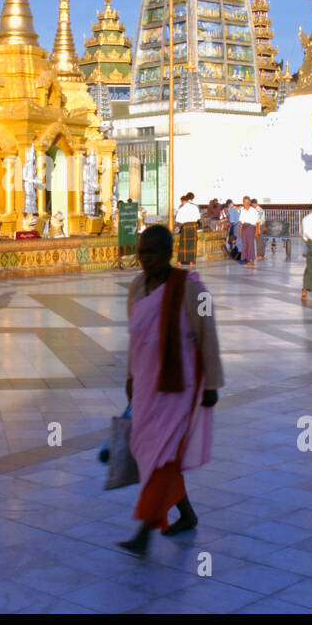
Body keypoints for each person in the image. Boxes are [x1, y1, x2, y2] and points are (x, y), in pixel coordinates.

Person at [119, 224, 222, 557]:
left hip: (181, 385)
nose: (146, 259)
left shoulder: (193, 288)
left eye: (153, 253)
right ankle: (187, 514)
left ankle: (144, 530)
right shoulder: (136, 287)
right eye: (142, 253)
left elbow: (208, 333)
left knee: (162, 456)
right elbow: (135, 337)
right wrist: (131, 375)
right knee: (150, 451)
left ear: (169, 254)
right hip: (148, 384)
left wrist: (212, 383)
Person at [174, 192, 201, 266]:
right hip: (193, 227)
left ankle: (179, 261)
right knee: (192, 244)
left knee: (183, 244)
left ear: (183, 201)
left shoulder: (182, 209)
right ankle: (191, 262)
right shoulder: (195, 207)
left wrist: (177, 227)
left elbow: (178, 221)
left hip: (185, 227)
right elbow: (198, 218)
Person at [237, 196, 259, 266]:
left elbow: (257, 222)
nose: (244, 203)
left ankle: (251, 260)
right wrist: (240, 231)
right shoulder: (242, 210)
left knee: (250, 244)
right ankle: (246, 260)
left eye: (246, 202)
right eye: (243, 202)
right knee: (244, 245)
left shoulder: (253, 210)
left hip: (251, 227)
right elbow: (241, 222)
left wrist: (256, 231)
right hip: (244, 228)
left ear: (249, 202)